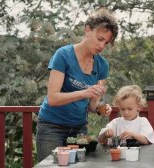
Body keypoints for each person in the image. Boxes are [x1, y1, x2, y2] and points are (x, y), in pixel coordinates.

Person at [36, 8, 119, 162]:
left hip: (79, 129)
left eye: (106, 43)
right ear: (87, 30)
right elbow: (53, 98)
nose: (102, 46)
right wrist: (84, 93)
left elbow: (92, 105)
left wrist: (101, 108)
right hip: (51, 127)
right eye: (100, 39)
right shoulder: (63, 55)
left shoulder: (102, 66)